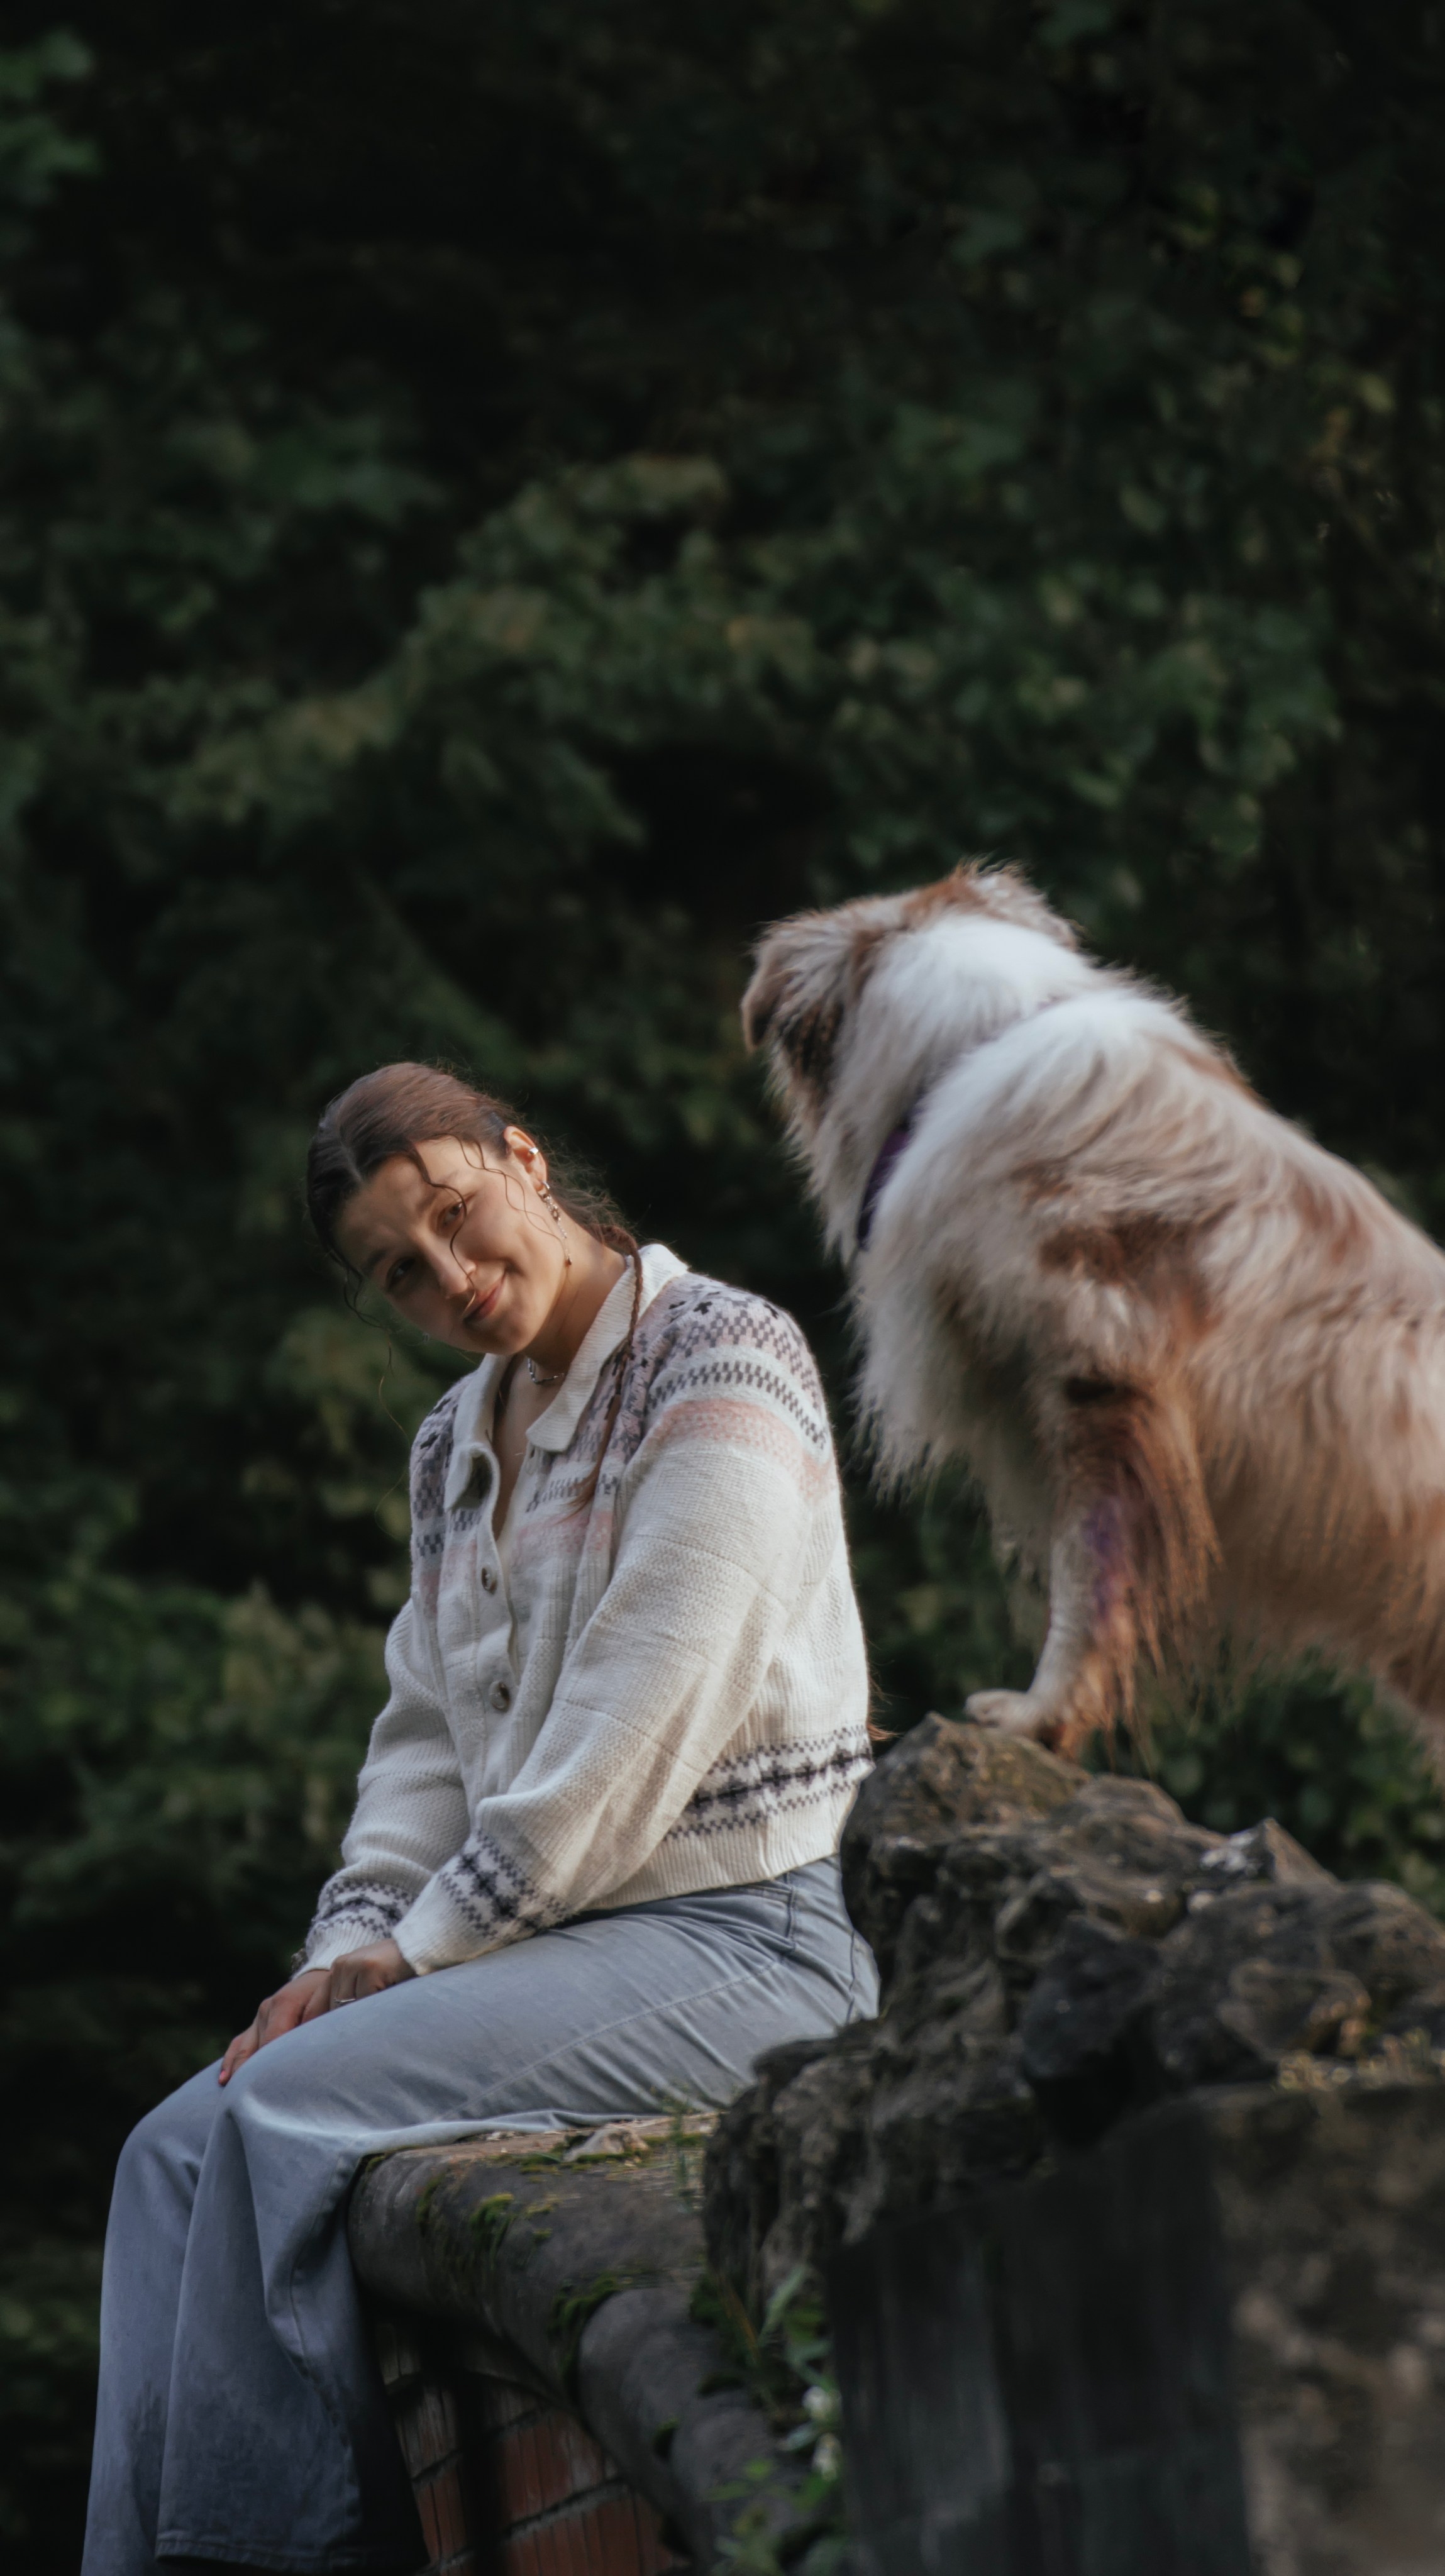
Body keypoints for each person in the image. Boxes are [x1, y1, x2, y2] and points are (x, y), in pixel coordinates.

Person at [83, 1062, 878, 2576]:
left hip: (758, 1939)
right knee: (168, 2152)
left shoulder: (721, 1354)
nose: (448, 1276)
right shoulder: (453, 1444)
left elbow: (634, 1721)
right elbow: (421, 1753)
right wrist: (343, 1951)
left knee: (278, 2108)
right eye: (399, 1269)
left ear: (524, 1159)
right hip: (558, 1952)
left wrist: (416, 1952)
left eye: (455, 1215)